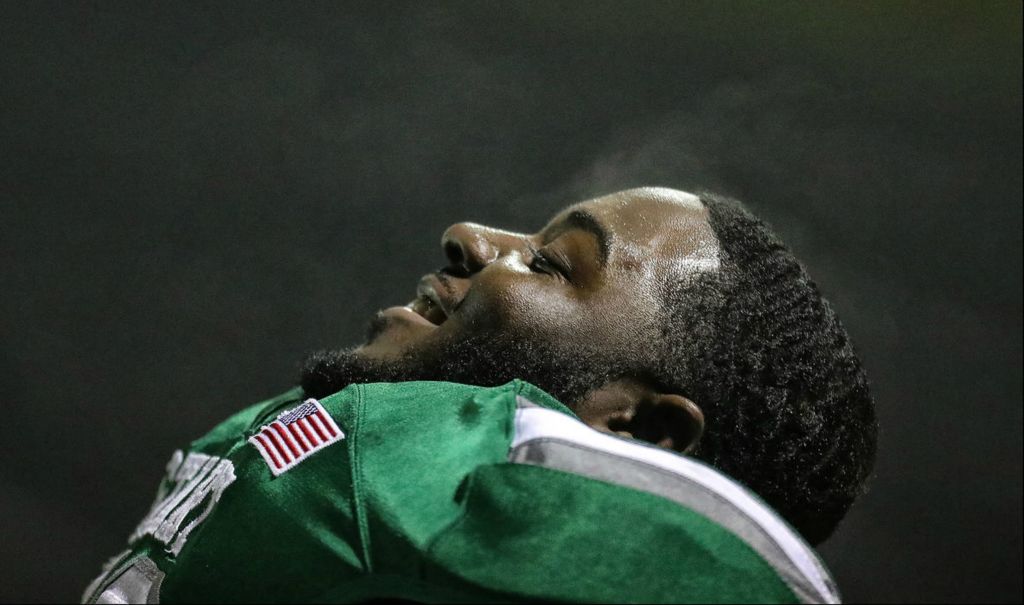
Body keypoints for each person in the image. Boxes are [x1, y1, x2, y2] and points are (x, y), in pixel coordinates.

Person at [83, 187, 876, 604]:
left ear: (635, 430)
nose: (472, 235)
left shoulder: (425, 462)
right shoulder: (295, 434)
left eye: (550, 264)